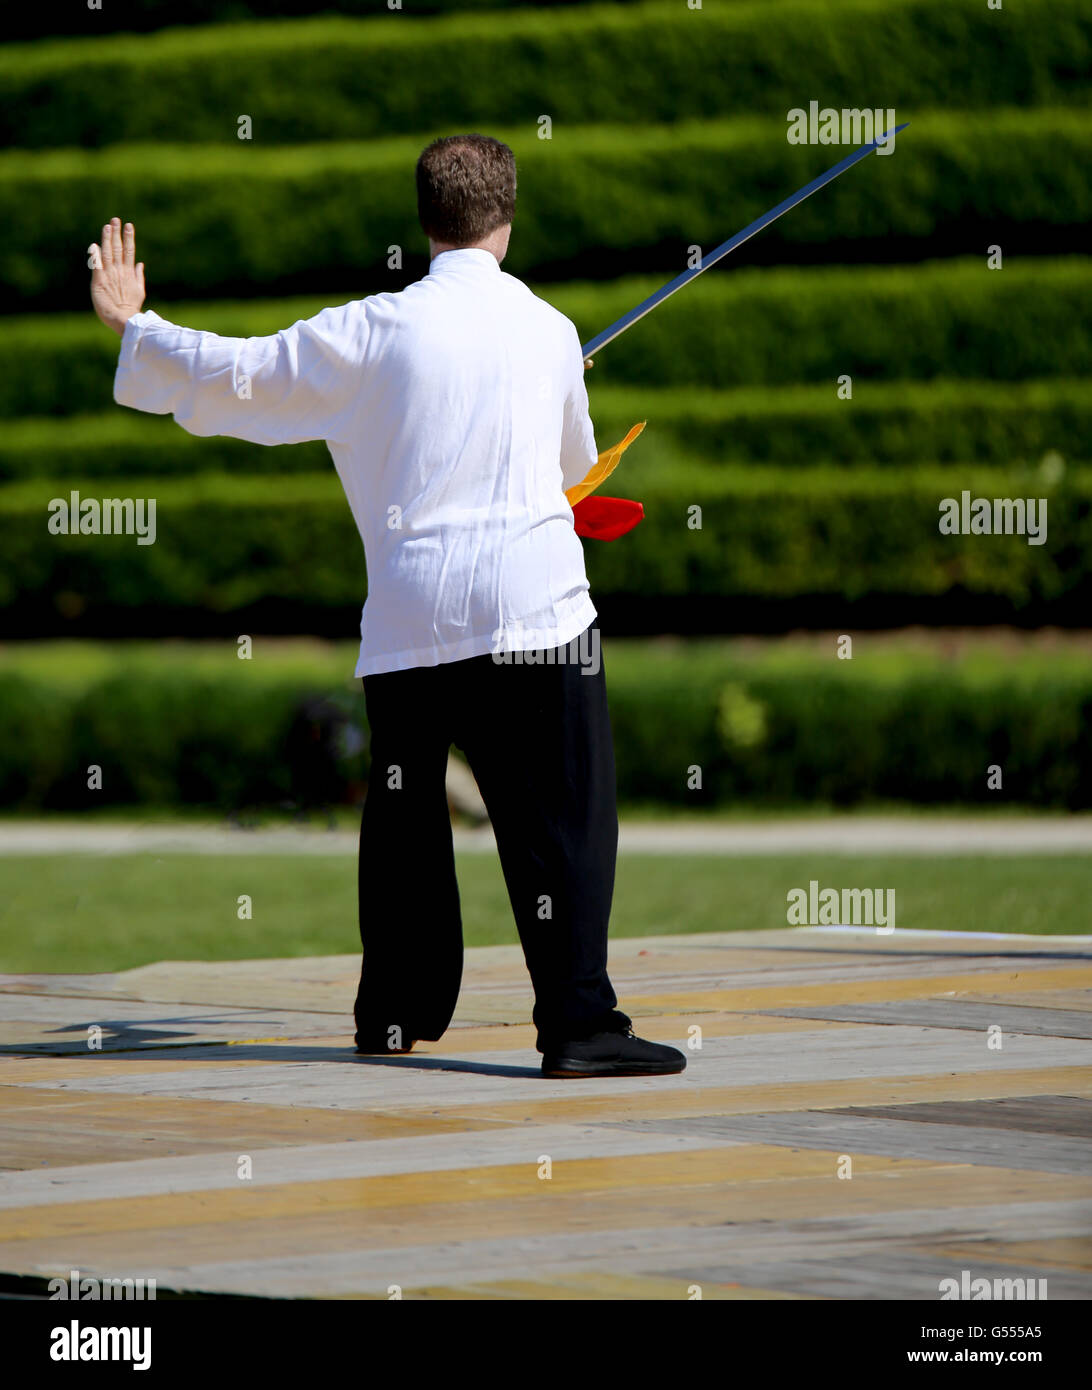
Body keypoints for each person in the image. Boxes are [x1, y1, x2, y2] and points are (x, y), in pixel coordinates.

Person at [89, 132, 685, 1079]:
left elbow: (243, 374)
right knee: (566, 823)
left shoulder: (368, 331)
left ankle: (397, 1014)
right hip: (536, 616)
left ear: (426, 223)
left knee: (405, 821)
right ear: (509, 215)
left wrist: (137, 327)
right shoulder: (553, 331)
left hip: (412, 619)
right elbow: (577, 473)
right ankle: (579, 1024)